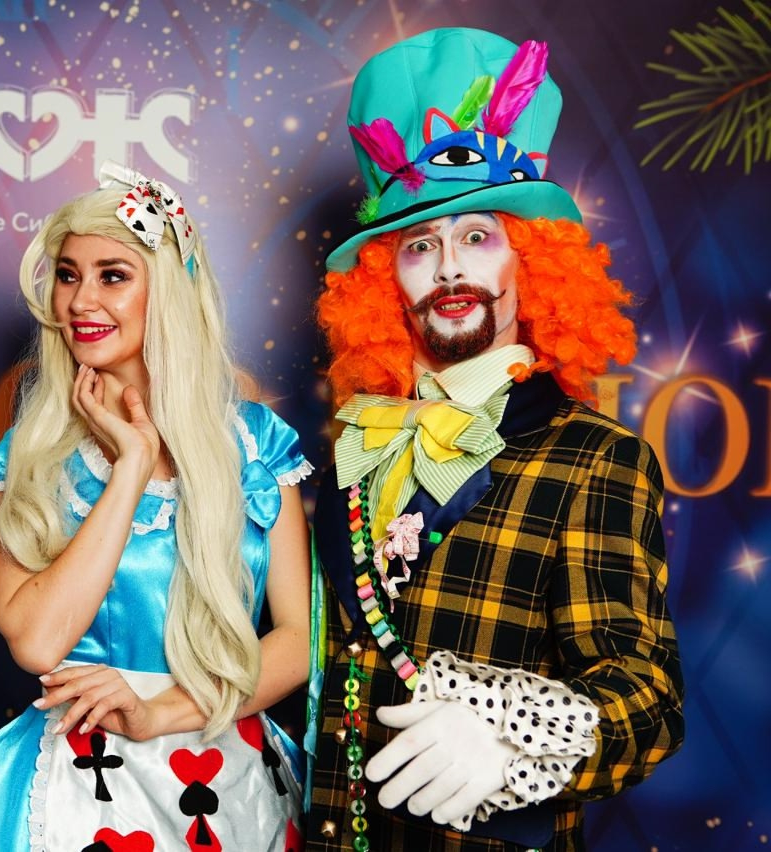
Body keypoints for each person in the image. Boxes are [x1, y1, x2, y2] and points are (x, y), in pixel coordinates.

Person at [305, 29, 684, 851]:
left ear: (532, 264)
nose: (448, 268)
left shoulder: (596, 457)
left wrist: (515, 734)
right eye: (419, 246)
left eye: (477, 237)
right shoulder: (359, 447)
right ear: (384, 282)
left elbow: (648, 699)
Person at [0, 163, 312, 851]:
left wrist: (162, 712)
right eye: (68, 274)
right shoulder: (32, 457)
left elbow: (295, 640)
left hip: (228, 775)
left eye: (112, 275)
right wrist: (131, 467)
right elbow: (37, 644)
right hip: (79, 782)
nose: (81, 300)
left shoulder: (257, 443)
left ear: (167, 291)